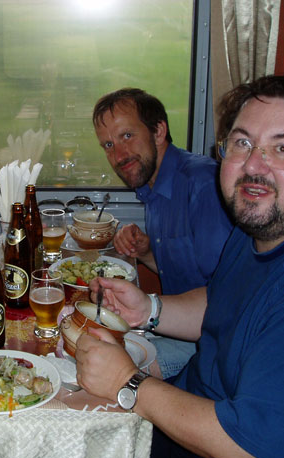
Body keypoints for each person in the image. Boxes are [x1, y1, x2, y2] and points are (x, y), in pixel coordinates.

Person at [76, 76, 284, 458]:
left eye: (282, 148)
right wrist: (149, 310)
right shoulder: (265, 225)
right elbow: (222, 300)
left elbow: (245, 450)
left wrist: (128, 384)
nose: (253, 166)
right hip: (201, 408)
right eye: (242, 143)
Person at [92, 88, 232, 379]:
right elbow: (187, 268)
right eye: (107, 145)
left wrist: (150, 314)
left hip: (211, 344)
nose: (118, 155)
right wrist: (145, 253)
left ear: (158, 131)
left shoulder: (204, 186)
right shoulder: (151, 189)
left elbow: (228, 300)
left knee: (103, 371)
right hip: (172, 324)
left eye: (127, 136)